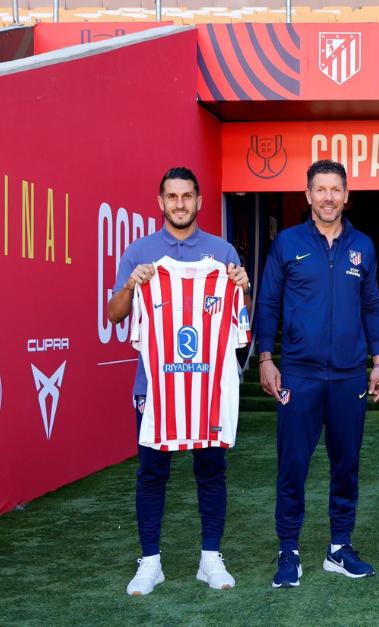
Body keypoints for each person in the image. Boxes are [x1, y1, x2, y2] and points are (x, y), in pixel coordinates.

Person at [108, 167, 250, 596]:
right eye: (172, 196)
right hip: (154, 387)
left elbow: (238, 327)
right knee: (152, 472)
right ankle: (150, 561)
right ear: (160, 202)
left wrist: (241, 287)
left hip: (206, 388)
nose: (180, 203)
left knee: (211, 470)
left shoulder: (223, 253)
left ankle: (210, 557)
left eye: (187, 195)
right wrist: (133, 286)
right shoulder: (139, 253)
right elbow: (115, 315)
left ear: (199, 200)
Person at [255, 159, 379, 588]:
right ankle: (288, 550)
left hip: (350, 375)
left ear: (347, 196)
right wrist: (266, 359)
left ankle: (339, 548)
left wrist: (378, 361)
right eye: (321, 189)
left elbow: (371, 306)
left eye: (336, 189)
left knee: (346, 464)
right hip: (299, 374)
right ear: (308, 195)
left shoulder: (362, 246)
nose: (329, 197)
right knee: (292, 465)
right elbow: (268, 303)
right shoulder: (288, 244)